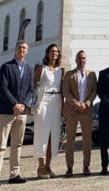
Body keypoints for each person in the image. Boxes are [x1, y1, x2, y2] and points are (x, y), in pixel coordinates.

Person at [0, 41, 35, 189]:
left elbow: (31, 89)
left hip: (21, 113)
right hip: (6, 111)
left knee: (17, 144)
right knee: (1, 145)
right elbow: (2, 88)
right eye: (19, 48)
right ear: (15, 50)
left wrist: (23, 104)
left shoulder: (29, 69)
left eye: (24, 48)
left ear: (27, 51)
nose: (21, 50)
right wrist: (14, 104)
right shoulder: (6, 67)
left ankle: (14, 174)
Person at [62, 50, 97, 177]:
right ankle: (69, 167)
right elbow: (66, 92)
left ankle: (86, 166)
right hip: (72, 111)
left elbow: (94, 91)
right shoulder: (69, 75)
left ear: (85, 60)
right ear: (76, 60)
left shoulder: (92, 74)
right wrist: (77, 104)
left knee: (87, 140)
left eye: (83, 58)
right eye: (79, 58)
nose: (82, 60)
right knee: (70, 140)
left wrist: (86, 103)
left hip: (86, 112)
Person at [33, 43, 65, 179]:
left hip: (57, 101)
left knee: (53, 134)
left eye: (56, 52)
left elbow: (63, 88)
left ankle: (48, 165)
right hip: (44, 101)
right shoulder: (41, 69)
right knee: (42, 133)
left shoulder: (61, 70)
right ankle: (40, 167)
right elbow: (33, 85)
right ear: (47, 53)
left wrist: (63, 106)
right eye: (52, 51)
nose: (54, 54)